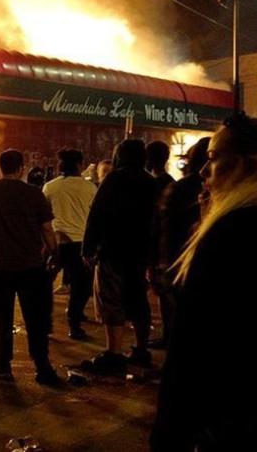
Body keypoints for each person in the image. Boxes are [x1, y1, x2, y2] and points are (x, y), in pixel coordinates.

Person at [151, 113, 257, 451]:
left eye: (213, 159)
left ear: (248, 165)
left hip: (233, 417)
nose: (203, 171)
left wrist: (168, 434)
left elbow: (194, 344)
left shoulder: (233, 231)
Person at [0, 149, 60, 386]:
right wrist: (54, 253)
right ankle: (42, 367)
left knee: (1, 318)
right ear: (21, 168)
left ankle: (2, 366)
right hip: (30, 266)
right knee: (36, 319)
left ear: (0, 167)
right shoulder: (34, 194)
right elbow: (47, 229)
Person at [82, 140, 157, 373]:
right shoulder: (150, 182)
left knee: (110, 299)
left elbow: (97, 214)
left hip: (114, 249)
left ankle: (113, 353)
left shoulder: (114, 179)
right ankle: (141, 349)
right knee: (138, 299)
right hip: (141, 251)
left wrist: (88, 247)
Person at [150, 138, 210, 349]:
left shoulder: (180, 188)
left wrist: (156, 260)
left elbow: (161, 225)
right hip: (184, 258)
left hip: (176, 257)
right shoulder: (203, 189)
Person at [43, 148, 98, 340]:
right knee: (81, 287)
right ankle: (74, 325)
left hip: (56, 243)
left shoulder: (50, 187)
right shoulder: (90, 188)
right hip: (80, 244)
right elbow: (95, 218)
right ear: (79, 165)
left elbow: (45, 217)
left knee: (45, 284)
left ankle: (44, 323)